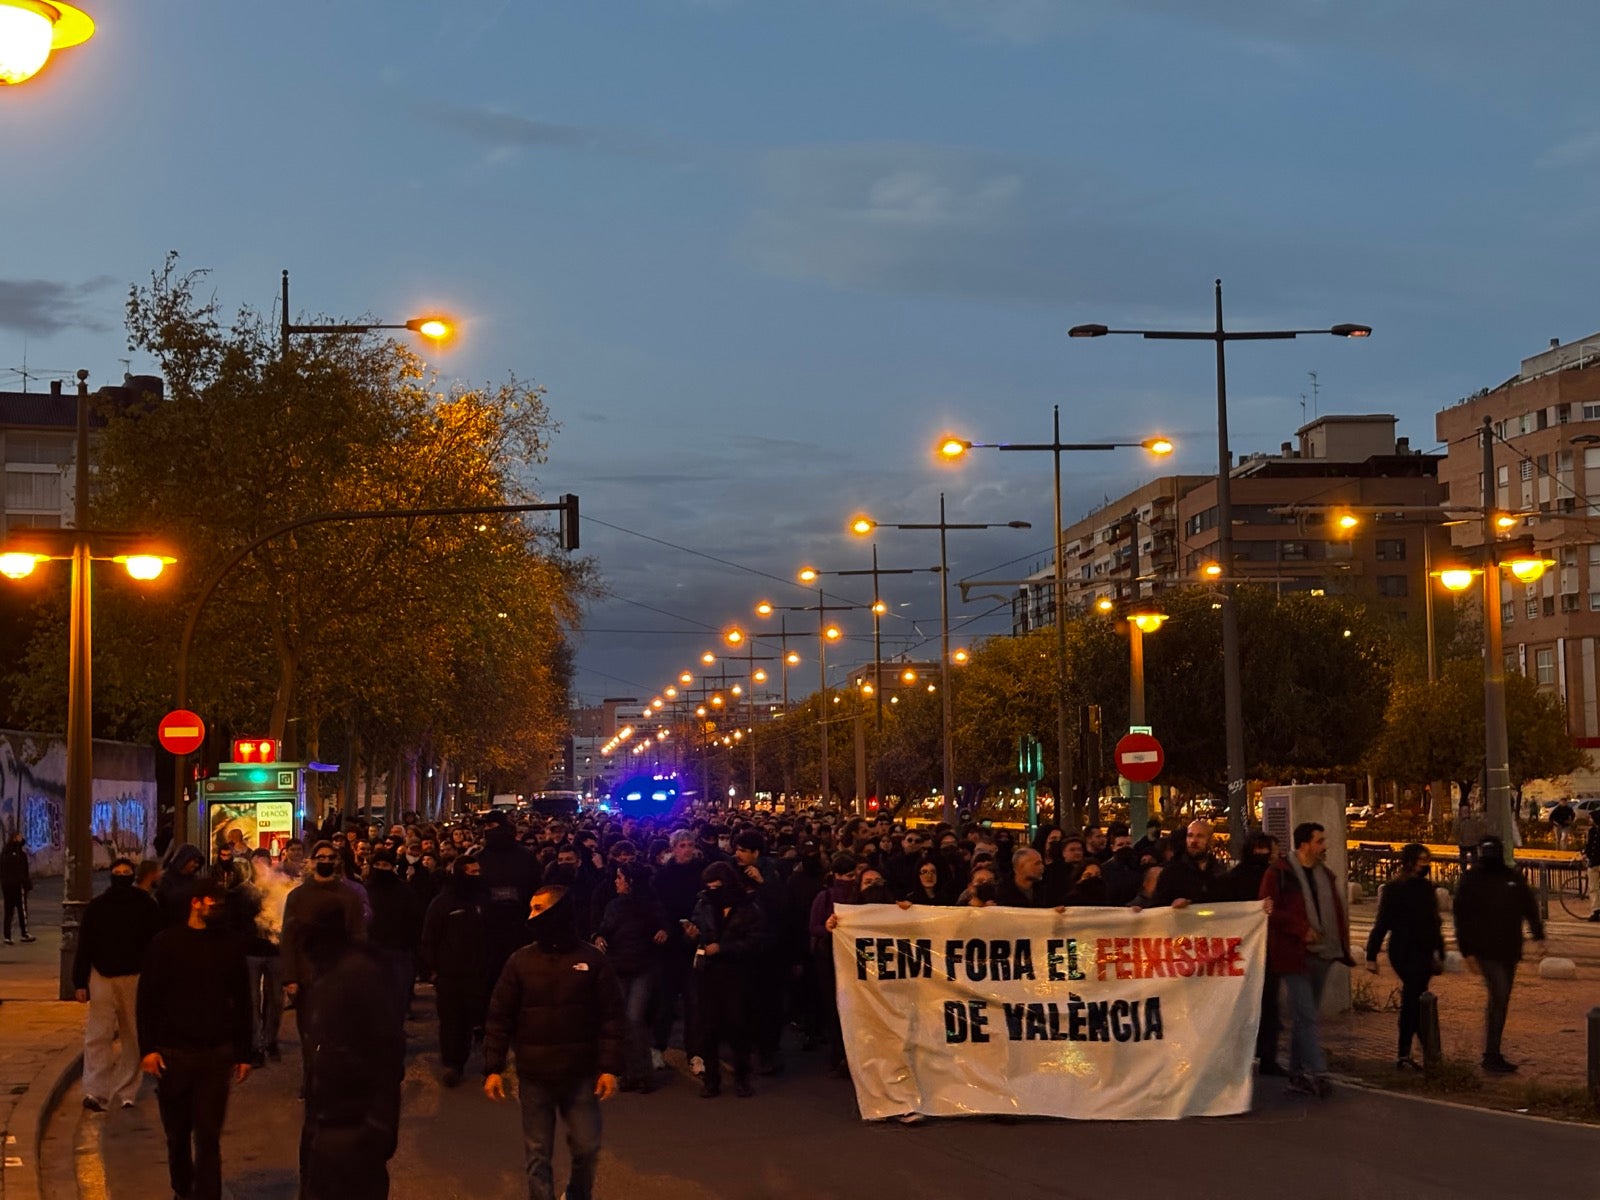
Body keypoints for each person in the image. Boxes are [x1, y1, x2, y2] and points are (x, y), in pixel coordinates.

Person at [483, 886, 625, 1200]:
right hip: (534, 1075)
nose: (530, 915)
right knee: (537, 1153)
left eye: (537, 908)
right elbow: (499, 1016)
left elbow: (612, 1018)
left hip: (580, 1074)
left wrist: (609, 1068)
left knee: (587, 1146)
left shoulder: (592, 960)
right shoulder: (520, 961)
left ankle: (577, 1194)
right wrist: (493, 1067)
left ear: (556, 911)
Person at [135, 880, 253, 1200]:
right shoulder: (165, 944)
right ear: (196, 903)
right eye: (213, 902)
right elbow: (147, 1001)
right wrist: (148, 1049)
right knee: (177, 1133)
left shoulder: (230, 945)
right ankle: (182, 1189)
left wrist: (245, 1052)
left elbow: (242, 999)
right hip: (174, 1055)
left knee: (208, 1135)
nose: (218, 908)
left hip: (216, 1055)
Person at [299, 906, 406, 1200]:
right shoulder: (332, 972)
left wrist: (378, 1123)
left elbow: (388, 1047)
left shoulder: (356, 973)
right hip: (331, 1118)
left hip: (355, 1123)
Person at [1260, 822, 1350, 1098]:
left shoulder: (1324, 874)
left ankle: (1297, 1073)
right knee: (1307, 1015)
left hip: (1323, 953)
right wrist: (1300, 929)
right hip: (1293, 954)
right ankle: (1318, 1072)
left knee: (1304, 1017)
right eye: (1319, 841)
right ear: (1304, 844)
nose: (1324, 846)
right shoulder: (1280, 873)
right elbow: (1268, 908)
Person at [72, 857, 162, 1110]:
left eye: (125, 872)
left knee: (132, 1036)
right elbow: (85, 945)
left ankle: (125, 1091)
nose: (121, 875)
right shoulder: (98, 907)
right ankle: (95, 1091)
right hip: (103, 976)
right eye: (117, 872)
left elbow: (155, 945)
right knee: (97, 1036)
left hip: (134, 977)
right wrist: (80, 981)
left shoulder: (146, 906)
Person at [1452, 836, 1544, 1073]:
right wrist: (1467, 951)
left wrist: (1538, 935)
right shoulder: (1471, 880)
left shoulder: (1511, 877)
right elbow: (1461, 917)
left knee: (1500, 1000)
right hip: (1485, 951)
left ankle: (1493, 1053)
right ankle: (1491, 1054)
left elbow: (1528, 906)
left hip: (1509, 949)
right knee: (1499, 994)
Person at [282, 842, 369, 1089]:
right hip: (308, 977)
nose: (326, 861)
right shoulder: (297, 897)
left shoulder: (349, 896)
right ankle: (311, 1080)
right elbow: (288, 939)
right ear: (312, 861)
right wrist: (290, 977)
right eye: (321, 857)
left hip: (339, 976)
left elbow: (358, 936)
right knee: (309, 1033)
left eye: (331, 857)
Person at [1364, 843, 1444, 1070]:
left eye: (1427, 860)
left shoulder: (1427, 888)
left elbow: (1434, 921)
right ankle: (1409, 1052)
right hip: (1403, 950)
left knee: (1416, 999)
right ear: (1409, 862)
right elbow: (1382, 923)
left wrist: (1439, 952)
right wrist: (1371, 955)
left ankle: (1422, 1050)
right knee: (1412, 997)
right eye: (1421, 860)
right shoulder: (1394, 889)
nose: (1425, 865)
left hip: (1425, 950)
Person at [690, 861, 767, 1098]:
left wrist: (723, 948)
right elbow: (699, 929)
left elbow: (755, 941)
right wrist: (693, 935)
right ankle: (712, 1079)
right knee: (708, 1027)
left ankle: (742, 1077)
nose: (713, 891)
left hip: (737, 973)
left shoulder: (747, 907)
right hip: (709, 974)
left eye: (717, 887)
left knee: (737, 1026)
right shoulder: (704, 903)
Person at [594, 861, 669, 1093]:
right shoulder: (614, 905)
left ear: (630, 882)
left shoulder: (650, 905)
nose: (617, 881)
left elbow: (664, 924)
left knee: (634, 1018)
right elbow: (604, 927)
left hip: (642, 968)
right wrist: (598, 936)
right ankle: (628, 1071)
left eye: (620, 878)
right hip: (619, 966)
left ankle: (642, 1073)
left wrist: (664, 931)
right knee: (622, 1020)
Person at [421, 856, 489, 1087]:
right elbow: (430, 937)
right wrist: (432, 969)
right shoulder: (443, 903)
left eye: (478, 871)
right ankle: (452, 1063)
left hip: (477, 971)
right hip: (449, 972)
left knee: (470, 1017)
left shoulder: (482, 899)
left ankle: (465, 1053)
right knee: (451, 1020)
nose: (476, 876)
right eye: (471, 872)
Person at [1227, 834, 1283, 1074]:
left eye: (1265, 849)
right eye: (1258, 849)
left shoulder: (1276, 876)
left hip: (1267, 951)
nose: (1262, 854)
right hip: (1243, 953)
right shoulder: (1236, 879)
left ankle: (1267, 1056)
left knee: (1269, 1006)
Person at [364, 848, 422, 1021]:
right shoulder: (365, 890)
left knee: (396, 996)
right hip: (370, 951)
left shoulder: (404, 891)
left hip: (398, 950)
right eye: (378, 865)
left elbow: (414, 919)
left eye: (386, 865)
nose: (382, 869)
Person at [1152, 820, 1228, 908]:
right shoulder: (1172, 872)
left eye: (1200, 836)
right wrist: (1173, 905)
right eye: (1190, 835)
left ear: (1210, 840)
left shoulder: (1219, 872)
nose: (1193, 841)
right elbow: (1156, 907)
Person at [156, 844, 207, 927]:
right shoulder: (166, 879)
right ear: (184, 860)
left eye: (198, 862)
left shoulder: (195, 880)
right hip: (172, 926)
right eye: (194, 861)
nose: (196, 865)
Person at [1, 831, 35, 943]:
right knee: (22, 909)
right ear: (16, 838)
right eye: (19, 836)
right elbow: (23, 872)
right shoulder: (20, 855)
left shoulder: (4, 853)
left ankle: (7, 935)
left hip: (7, 886)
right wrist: (26, 883)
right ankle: (24, 933)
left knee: (8, 910)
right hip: (18, 885)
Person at [1454, 801, 1487, 867]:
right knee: (1463, 860)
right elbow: (1456, 832)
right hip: (1463, 844)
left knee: (1474, 860)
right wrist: (1459, 841)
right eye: (1463, 811)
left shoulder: (1474, 820)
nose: (1465, 813)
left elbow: (1478, 830)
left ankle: (1474, 870)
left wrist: (1478, 840)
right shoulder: (1458, 822)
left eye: (1466, 811)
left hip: (1473, 843)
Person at [1585, 818, 1600, 923]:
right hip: (1593, 863)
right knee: (1593, 888)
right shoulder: (1592, 831)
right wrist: (1585, 854)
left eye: (1591, 818)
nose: (1590, 819)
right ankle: (1596, 910)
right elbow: (1589, 845)